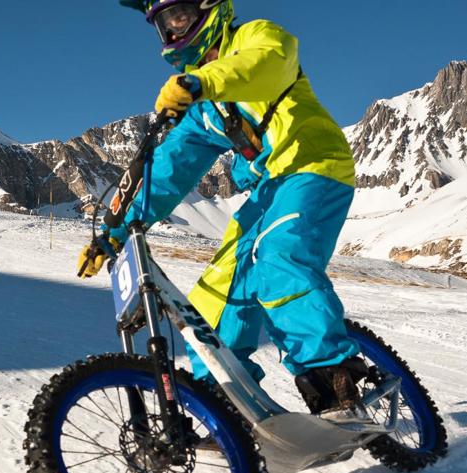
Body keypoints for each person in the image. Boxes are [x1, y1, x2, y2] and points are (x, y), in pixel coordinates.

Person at [78, 0, 368, 419]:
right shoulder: (202, 110)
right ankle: (231, 411)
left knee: (278, 257)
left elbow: (267, 64)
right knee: (214, 301)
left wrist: (200, 82)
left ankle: (331, 379)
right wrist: (112, 234)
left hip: (312, 166)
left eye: (177, 17)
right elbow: (167, 171)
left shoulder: (256, 38)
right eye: (162, 26)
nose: (173, 33)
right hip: (267, 188)